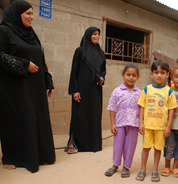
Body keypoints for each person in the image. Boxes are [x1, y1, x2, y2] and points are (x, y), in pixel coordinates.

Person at [0, 1, 55, 173]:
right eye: (28, 14)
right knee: (18, 119)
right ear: (18, 14)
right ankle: (13, 157)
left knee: (37, 118)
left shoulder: (31, 33)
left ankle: (40, 155)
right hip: (14, 87)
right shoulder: (4, 31)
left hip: (35, 85)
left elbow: (40, 56)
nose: (32, 17)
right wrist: (24, 65)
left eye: (32, 13)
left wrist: (48, 80)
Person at [135, 60, 177, 182]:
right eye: (156, 72)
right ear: (151, 74)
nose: (159, 75)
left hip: (161, 127)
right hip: (148, 126)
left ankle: (154, 170)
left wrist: (168, 126)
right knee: (146, 148)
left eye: (162, 72)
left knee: (158, 149)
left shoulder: (169, 91)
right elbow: (142, 106)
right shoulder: (147, 89)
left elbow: (171, 110)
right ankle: (142, 169)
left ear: (167, 74)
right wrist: (141, 123)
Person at [67, 26, 106, 153]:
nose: (96, 37)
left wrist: (102, 77)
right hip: (81, 89)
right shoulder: (80, 51)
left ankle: (92, 144)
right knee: (79, 116)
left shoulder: (101, 53)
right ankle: (73, 143)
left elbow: (103, 70)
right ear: (88, 35)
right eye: (94, 34)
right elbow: (74, 72)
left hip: (95, 89)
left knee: (94, 115)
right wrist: (74, 91)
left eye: (98, 35)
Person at [104, 64, 141, 178]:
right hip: (119, 123)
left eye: (134, 75)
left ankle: (126, 167)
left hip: (133, 124)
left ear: (138, 77)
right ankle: (115, 165)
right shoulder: (117, 91)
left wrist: (141, 123)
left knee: (130, 146)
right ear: (123, 75)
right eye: (128, 74)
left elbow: (142, 109)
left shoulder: (139, 92)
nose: (130, 77)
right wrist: (112, 124)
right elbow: (112, 108)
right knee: (118, 145)